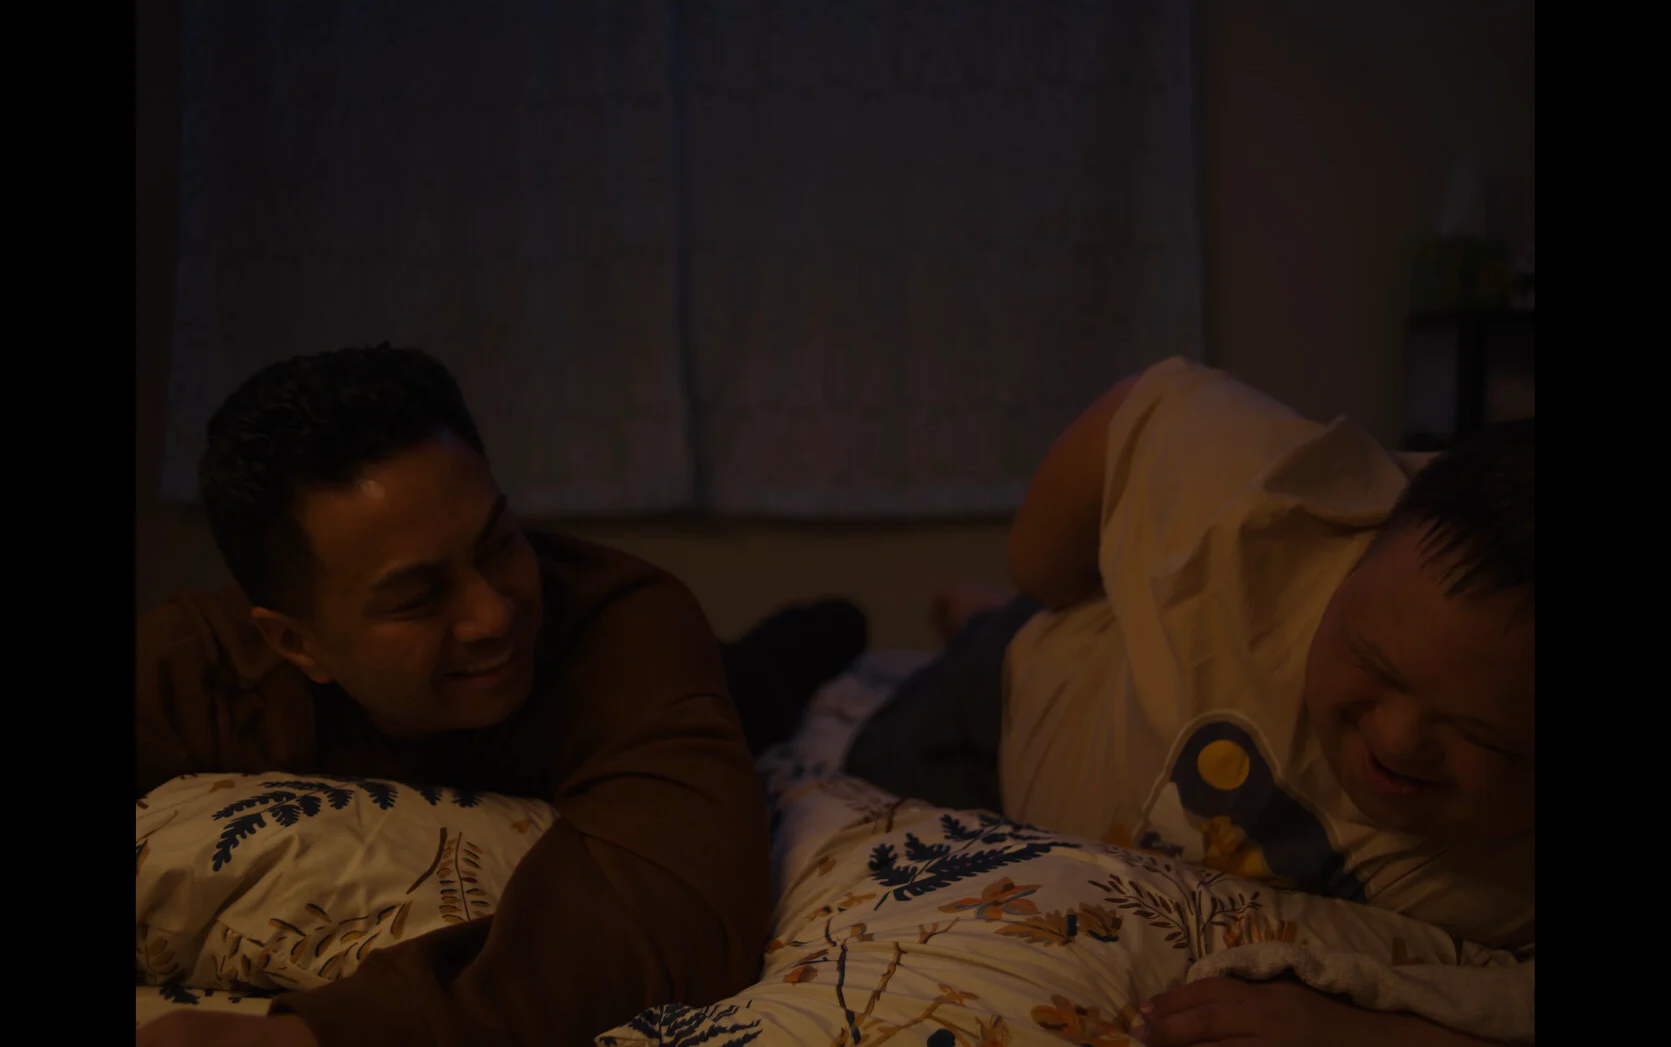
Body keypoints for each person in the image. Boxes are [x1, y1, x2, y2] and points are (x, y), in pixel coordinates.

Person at [135, 345, 862, 1047]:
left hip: (698, 684)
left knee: (765, 681)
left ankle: (825, 627)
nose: (492, 615)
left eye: (501, 543)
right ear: (296, 643)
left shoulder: (623, 623)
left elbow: (675, 913)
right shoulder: (196, 668)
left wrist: (318, 1033)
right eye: (418, 598)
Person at [845, 357, 1532, 1046]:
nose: (1398, 736)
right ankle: (989, 616)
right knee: (869, 803)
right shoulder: (1272, 510)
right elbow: (1141, 407)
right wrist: (1043, 578)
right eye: (1370, 660)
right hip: (1011, 700)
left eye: (1482, 731)